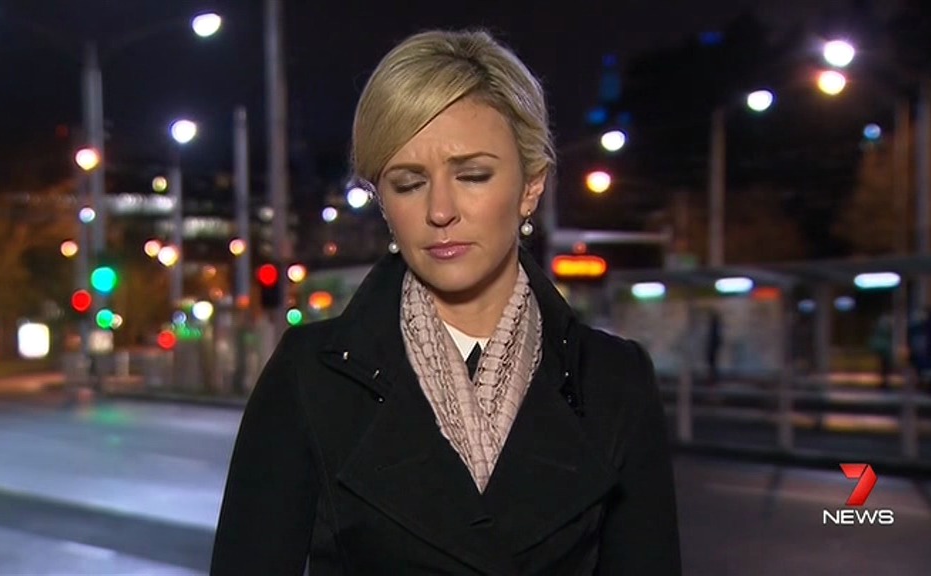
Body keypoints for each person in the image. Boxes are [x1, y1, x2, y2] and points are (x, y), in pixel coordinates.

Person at [211, 28, 681, 575]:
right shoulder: (309, 378)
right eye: (408, 184)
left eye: (473, 175)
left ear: (531, 185)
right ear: (383, 201)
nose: (440, 210)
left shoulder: (614, 382)